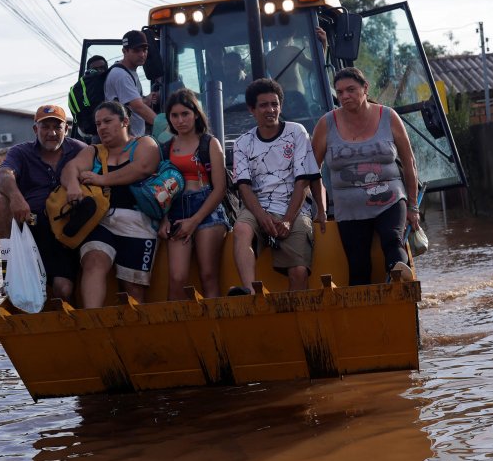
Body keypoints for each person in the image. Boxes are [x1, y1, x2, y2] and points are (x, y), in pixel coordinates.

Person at [311, 66, 420, 285]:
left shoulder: (388, 116)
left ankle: (400, 282)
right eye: (340, 92)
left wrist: (413, 206)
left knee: (392, 241)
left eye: (351, 90)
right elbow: (313, 170)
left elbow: (409, 162)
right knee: (358, 264)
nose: (345, 96)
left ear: (365, 88)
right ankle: (363, 314)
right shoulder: (326, 123)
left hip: (390, 197)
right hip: (348, 207)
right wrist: (321, 209)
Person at [60, 101, 161, 307]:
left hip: (137, 221)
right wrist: (72, 184)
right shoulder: (93, 151)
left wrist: (101, 179)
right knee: (93, 262)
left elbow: (142, 168)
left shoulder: (144, 143)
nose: (102, 127)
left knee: (133, 287)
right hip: (101, 221)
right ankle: (93, 323)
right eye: (98, 124)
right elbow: (71, 167)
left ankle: (136, 334)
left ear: (125, 121)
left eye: (107, 121)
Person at [231, 78, 323, 294]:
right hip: (258, 207)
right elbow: (244, 187)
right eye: (263, 105)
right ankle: (250, 294)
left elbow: (303, 181)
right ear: (252, 109)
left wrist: (289, 221)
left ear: (281, 106)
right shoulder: (242, 143)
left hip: (294, 208)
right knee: (242, 228)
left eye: (275, 104)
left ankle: (296, 320)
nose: (270, 110)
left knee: (299, 271)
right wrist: (262, 217)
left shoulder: (297, 132)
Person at [0, 104, 88, 304]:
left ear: (66, 129)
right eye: (45, 127)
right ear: (35, 130)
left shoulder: (80, 150)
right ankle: (9, 270)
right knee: (2, 200)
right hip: (33, 225)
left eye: (57, 127)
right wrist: (17, 197)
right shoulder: (20, 152)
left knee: (64, 289)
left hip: (67, 228)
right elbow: (3, 175)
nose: (51, 133)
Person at [160, 89, 230, 300]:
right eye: (174, 115)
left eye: (185, 114)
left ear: (196, 114)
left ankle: (215, 331)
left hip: (206, 209)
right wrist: (162, 219)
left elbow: (220, 189)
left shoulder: (210, 143)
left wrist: (194, 220)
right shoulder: (165, 148)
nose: (180, 120)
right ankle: (177, 332)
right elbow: (159, 189)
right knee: (177, 278)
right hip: (175, 210)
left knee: (208, 275)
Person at [105, 30, 157, 138]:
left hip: (131, 139)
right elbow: (138, 107)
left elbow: (129, 103)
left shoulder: (129, 72)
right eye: (136, 50)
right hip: (125, 141)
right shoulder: (121, 75)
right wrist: (166, 126)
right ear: (125, 51)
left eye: (145, 50)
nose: (142, 54)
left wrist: (146, 99)